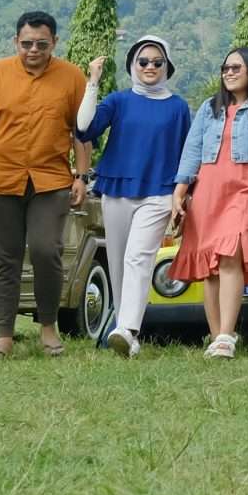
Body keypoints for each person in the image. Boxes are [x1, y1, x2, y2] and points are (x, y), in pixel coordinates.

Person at [0, 11, 89, 358]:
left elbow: (81, 130)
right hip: (1, 179)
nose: (34, 50)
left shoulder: (71, 76)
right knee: (6, 256)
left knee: (47, 250)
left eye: (42, 45)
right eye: (27, 43)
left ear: (55, 43)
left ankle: (48, 327)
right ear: (15, 41)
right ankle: (4, 336)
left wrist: (81, 175)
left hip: (51, 181)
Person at [77, 33, 194, 357]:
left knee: (138, 257)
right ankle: (123, 329)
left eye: (157, 62)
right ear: (133, 64)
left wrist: (184, 197)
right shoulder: (119, 101)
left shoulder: (178, 107)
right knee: (118, 262)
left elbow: (188, 154)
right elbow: (84, 128)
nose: (150, 67)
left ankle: (127, 329)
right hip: (117, 189)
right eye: (143, 61)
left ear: (167, 66)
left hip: (159, 192)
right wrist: (93, 82)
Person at [169, 47, 248, 358]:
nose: (229, 73)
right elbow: (193, 149)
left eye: (236, 68)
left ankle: (225, 336)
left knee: (231, 253)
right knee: (211, 266)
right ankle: (216, 334)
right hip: (208, 189)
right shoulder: (210, 108)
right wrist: (180, 191)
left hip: (245, 187)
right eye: (225, 68)